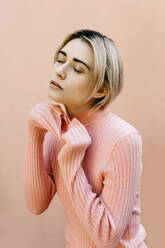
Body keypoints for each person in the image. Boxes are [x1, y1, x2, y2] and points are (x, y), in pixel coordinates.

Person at [24, 29, 148, 248]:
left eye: (77, 68)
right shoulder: (58, 129)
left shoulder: (124, 139)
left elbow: (106, 237)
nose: (60, 71)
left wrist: (72, 161)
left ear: (100, 90)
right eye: (60, 59)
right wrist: (35, 133)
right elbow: (36, 205)